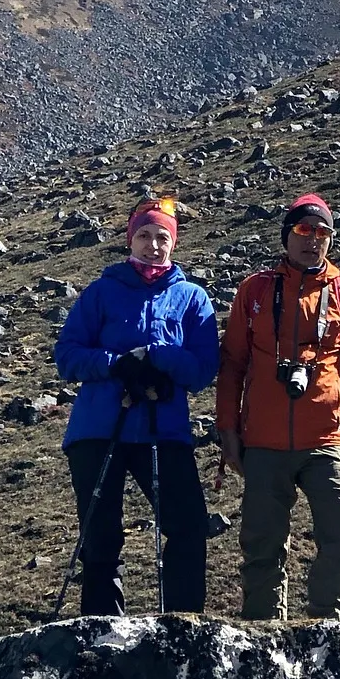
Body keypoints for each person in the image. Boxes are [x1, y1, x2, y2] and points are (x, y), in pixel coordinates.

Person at [215, 191, 340, 621]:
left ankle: (327, 623)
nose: (314, 239)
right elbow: (231, 365)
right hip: (263, 442)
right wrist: (228, 433)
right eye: (305, 230)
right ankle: (265, 632)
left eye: (323, 232)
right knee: (262, 543)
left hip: (326, 440)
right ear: (287, 235)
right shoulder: (254, 291)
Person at [54, 197, 219, 615]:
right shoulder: (101, 292)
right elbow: (67, 356)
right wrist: (117, 364)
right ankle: (101, 630)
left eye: (163, 237)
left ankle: (184, 624)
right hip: (98, 428)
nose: (153, 245)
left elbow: (202, 369)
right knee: (101, 534)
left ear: (174, 243)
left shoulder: (192, 299)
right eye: (144, 236)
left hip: (163, 430)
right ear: (131, 240)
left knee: (187, 525)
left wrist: (159, 357)